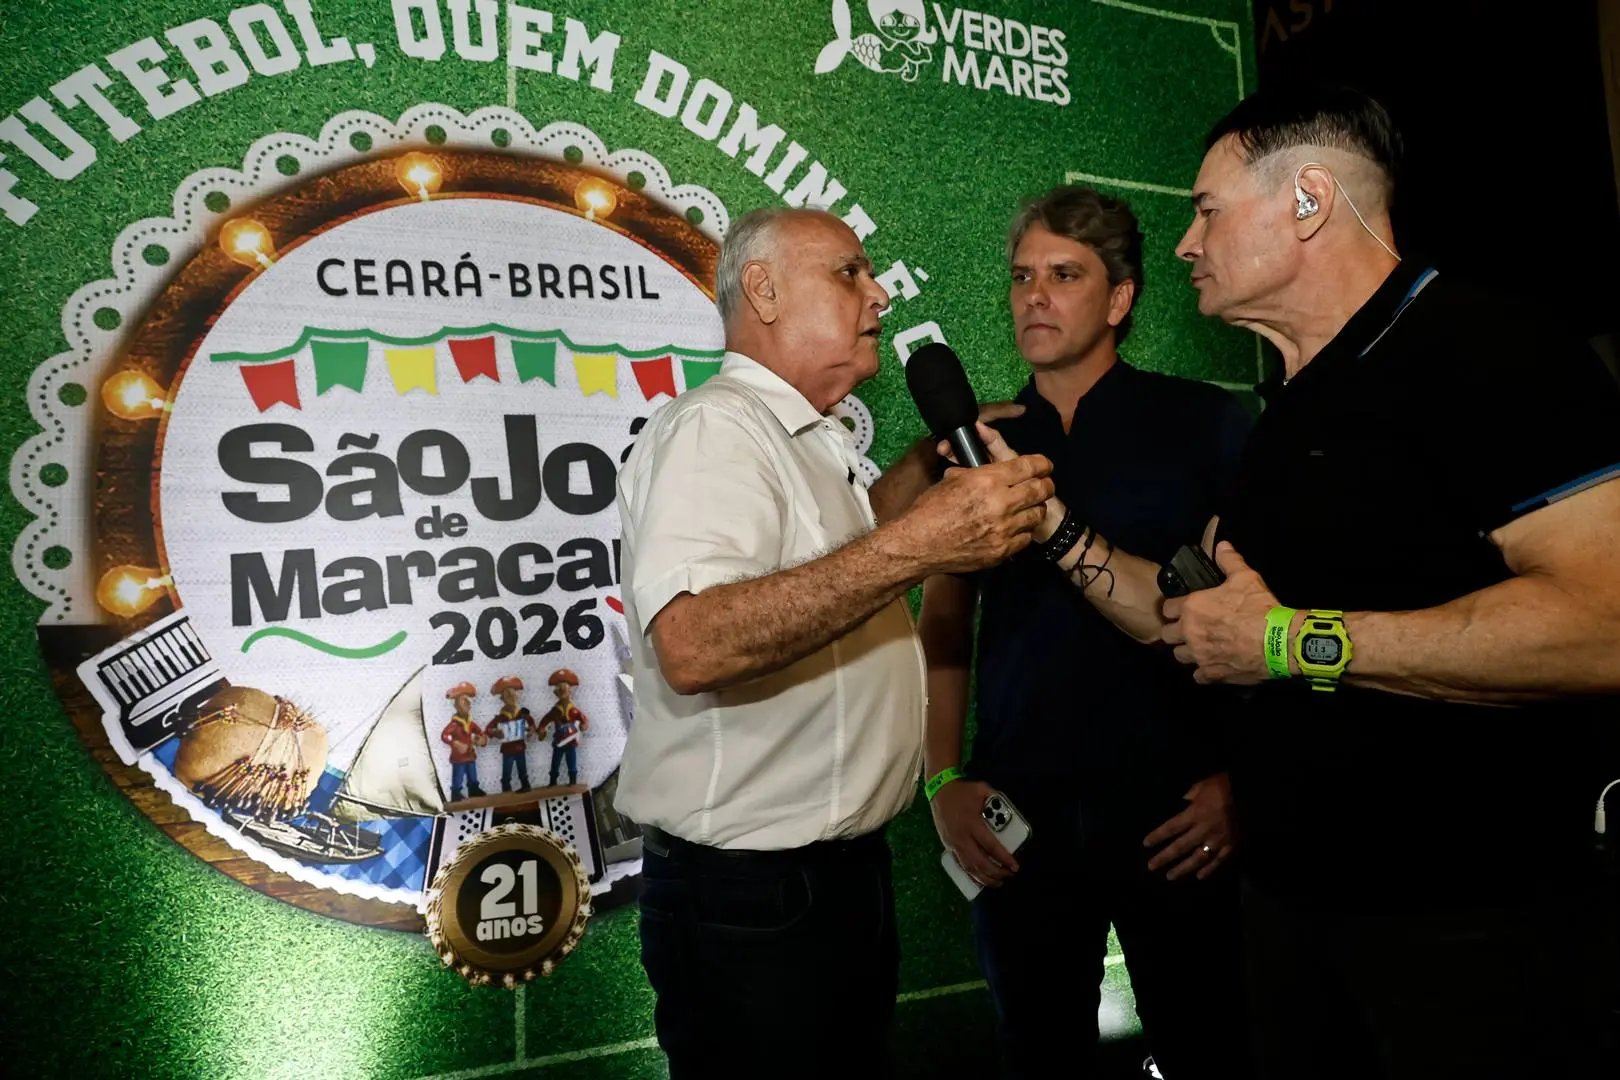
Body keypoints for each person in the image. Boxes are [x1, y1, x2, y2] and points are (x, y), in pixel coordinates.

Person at [968, 83, 1620, 1078]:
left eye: (1208, 210)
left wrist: (1286, 641)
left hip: (1460, 926)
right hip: (1291, 917)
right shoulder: (1289, 414)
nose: (1186, 243)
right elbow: (1178, 615)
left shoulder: (1490, 349)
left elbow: (1602, 625)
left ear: (1308, 200)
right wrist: (1045, 517)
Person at [614, 205, 1056, 1079]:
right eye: (849, 272)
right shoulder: (718, 428)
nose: (879, 294)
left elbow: (818, 567)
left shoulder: (807, 437)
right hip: (753, 902)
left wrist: (926, 471)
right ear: (764, 292)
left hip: (825, 885)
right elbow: (695, 642)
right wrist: (925, 541)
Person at [918, 185, 1255, 1079]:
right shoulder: (978, 445)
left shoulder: (1206, 422)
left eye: (1064, 275)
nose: (1035, 295)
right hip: (1020, 815)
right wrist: (944, 778)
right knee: (1038, 1055)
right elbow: (944, 620)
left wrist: (1240, 781)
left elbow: (1259, 614)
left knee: (1212, 1048)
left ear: (1119, 298)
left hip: (1176, 810)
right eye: (1022, 275)